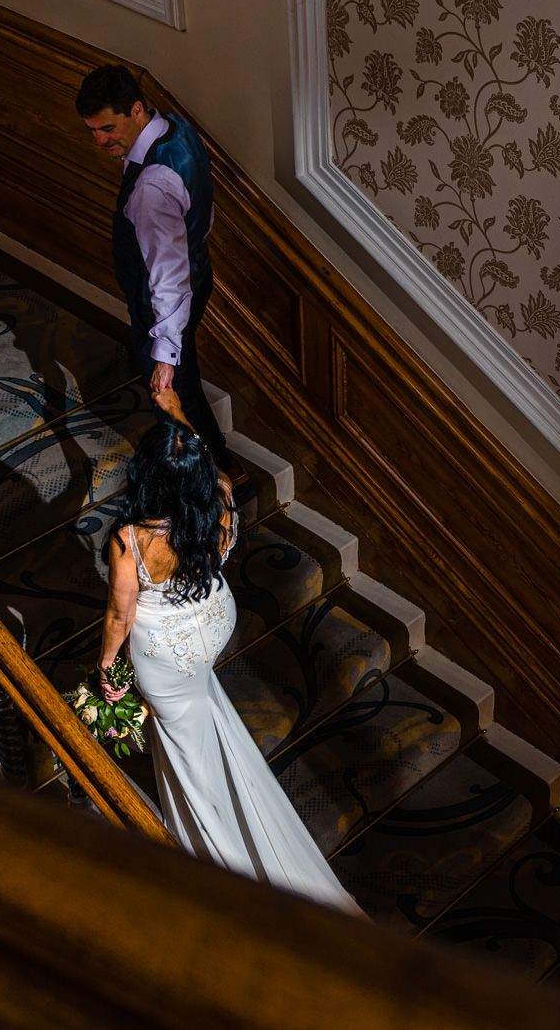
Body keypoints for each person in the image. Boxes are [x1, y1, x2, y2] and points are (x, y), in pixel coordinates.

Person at [96, 385, 360, 914]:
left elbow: (120, 616)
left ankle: (213, 858)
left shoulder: (132, 540)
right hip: (214, 622)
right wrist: (178, 414)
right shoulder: (218, 496)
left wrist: (106, 668)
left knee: (183, 751)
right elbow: (206, 461)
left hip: (167, 653)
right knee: (202, 705)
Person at [75, 64, 236, 475]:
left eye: (108, 128)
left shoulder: (152, 185)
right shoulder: (177, 130)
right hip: (198, 271)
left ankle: (207, 485)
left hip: (162, 301)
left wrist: (164, 351)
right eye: (92, 130)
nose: (98, 140)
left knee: (171, 400)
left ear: (136, 110)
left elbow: (167, 276)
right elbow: (201, 204)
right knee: (186, 384)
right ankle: (223, 469)